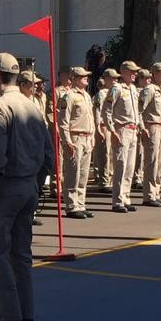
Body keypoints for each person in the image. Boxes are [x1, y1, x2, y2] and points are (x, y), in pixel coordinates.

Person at [0, 52, 54, 321]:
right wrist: (38, 180)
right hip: (29, 186)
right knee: (22, 253)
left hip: (8, 186)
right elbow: (48, 153)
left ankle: (8, 316)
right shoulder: (32, 105)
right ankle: (27, 312)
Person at [102, 62, 142, 213]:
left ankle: (126, 198)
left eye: (136, 72)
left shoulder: (133, 89)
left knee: (130, 167)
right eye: (132, 71)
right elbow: (106, 110)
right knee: (121, 166)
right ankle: (117, 201)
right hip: (122, 130)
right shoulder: (116, 89)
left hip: (133, 130)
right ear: (124, 72)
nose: (135, 74)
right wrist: (112, 130)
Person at [58, 66, 95, 218]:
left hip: (87, 137)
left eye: (86, 75)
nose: (86, 78)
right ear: (74, 79)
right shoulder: (68, 97)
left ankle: (81, 203)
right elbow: (63, 121)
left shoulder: (86, 95)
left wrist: (92, 137)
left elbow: (90, 118)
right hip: (75, 138)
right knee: (73, 173)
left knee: (83, 174)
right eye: (82, 76)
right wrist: (67, 141)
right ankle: (72, 205)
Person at [139, 62, 161, 207]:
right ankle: (149, 195)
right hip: (152, 127)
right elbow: (140, 110)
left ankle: (156, 193)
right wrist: (143, 127)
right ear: (156, 74)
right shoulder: (149, 90)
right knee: (151, 162)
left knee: (159, 163)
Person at [92, 72, 116, 190]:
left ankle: (110, 179)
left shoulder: (113, 92)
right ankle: (104, 181)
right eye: (112, 78)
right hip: (103, 126)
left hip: (112, 126)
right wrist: (97, 127)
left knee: (111, 154)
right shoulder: (101, 94)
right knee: (104, 154)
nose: (115, 80)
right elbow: (97, 111)